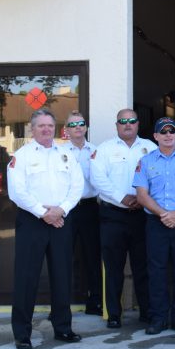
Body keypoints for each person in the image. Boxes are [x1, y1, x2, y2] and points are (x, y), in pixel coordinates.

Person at [6, 109, 83, 349]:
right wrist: (44, 213)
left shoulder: (66, 155)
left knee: (62, 276)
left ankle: (63, 328)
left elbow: (77, 185)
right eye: (41, 126)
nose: (46, 129)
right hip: (32, 222)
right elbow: (18, 192)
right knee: (26, 278)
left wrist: (61, 210)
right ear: (32, 129)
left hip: (61, 220)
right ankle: (22, 333)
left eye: (50, 125)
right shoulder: (22, 155)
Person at [89, 108, 158, 329]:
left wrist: (141, 198)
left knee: (143, 267)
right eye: (123, 121)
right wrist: (122, 197)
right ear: (116, 125)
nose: (127, 124)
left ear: (138, 124)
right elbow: (98, 179)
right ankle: (114, 314)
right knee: (113, 268)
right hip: (113, 216)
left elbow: (159, 177)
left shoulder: (151, 147)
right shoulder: (105, 150)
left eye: (131, 121)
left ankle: (147, 312)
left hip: (143, 216)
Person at [133, 117, 175, 335]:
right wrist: (164, 214)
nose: (168, 135)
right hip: (156, 221)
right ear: (155, 137)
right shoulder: (146, 161)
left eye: (172, 131)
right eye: (163, 132)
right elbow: (142, 195)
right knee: (156, 270)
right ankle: (158, 317)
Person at [61, 110, 102, 316]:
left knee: (92, 256)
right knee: (63, 257)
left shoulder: (96, 151)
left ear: (86, 127)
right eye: (73, 124)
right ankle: (61, 306)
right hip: (67, 209)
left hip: (89, 207)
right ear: (66, 130)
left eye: (81, 124)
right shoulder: (58, 152)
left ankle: (94, 302)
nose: (77, 127)